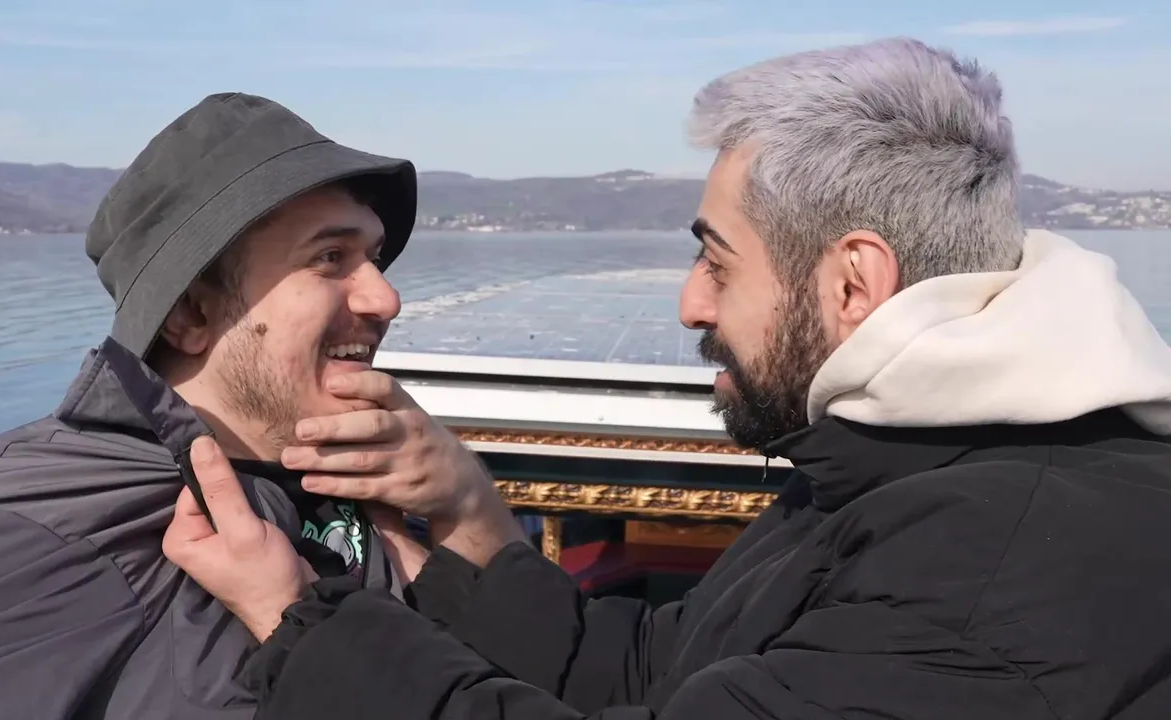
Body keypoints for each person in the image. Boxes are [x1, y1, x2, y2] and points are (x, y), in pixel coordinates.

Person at [164, 38, 1171, 719]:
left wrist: (299, 621)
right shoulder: (898, 462)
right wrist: (468, 518)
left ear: (852, 284)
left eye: (718, 264)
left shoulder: (997, 573)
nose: (691, 304)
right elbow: (656, 670)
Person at [0, 92, 471, 719]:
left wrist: (462, 517)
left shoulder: (376, 489)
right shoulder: (13, 533)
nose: (386, 299)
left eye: (374, 259)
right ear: (192, 314)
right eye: (330, 258)